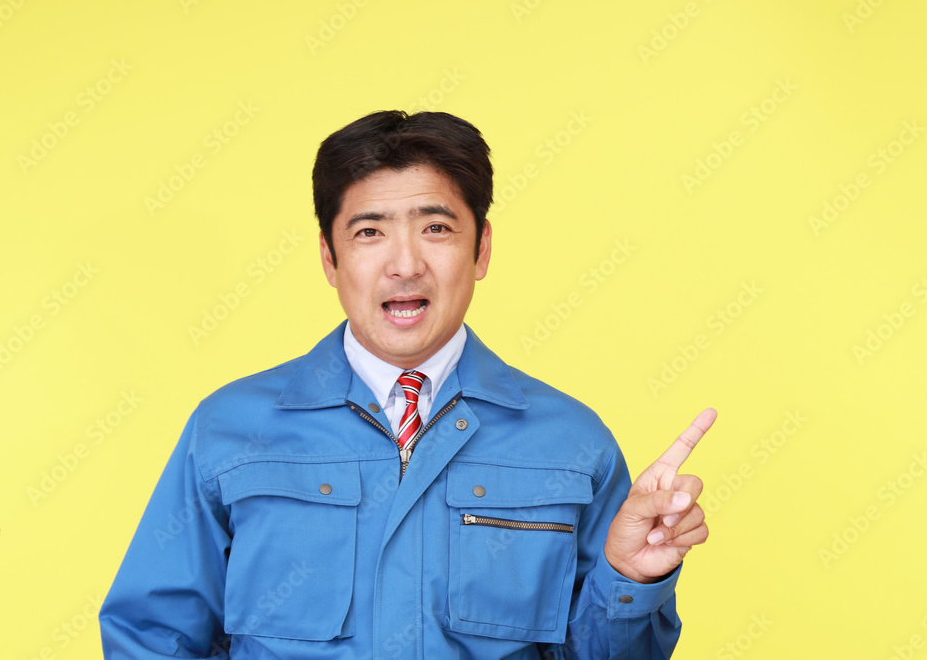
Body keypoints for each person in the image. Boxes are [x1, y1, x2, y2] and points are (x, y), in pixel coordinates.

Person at [99, 110, 716, 659]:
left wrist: (631, 578)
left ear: (481, 249)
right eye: (369, 232)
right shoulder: (231, 430)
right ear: (329, 257)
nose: (405, 265)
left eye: (436, 229)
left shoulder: (572, 443)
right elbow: (151, 637)